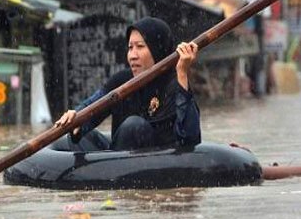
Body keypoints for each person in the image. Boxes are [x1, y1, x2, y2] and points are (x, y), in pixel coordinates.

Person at [54, 17, 201, 151]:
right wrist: (77, 116)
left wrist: (182, 73)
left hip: (155, 164)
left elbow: (190, 139)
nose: (133, 55)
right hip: (118, 159)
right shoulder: (122, 80)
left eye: (140, 46)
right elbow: (94, 104)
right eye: (130, 47)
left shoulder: (174, 82)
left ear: (157, 49)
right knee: (81, 135)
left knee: (134, 126)